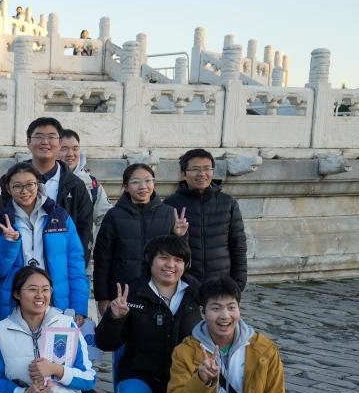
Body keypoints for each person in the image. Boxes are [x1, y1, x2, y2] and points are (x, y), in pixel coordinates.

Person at [95, 235, 200, 393]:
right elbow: (104, 342)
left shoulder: (197, 293)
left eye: (178, 259)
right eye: (163, 257)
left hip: (180, 380)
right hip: (139, 374)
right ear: (150, 261)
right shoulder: (132, 292)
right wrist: (115, 317)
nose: (170, 265)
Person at [0, 163, 88, 320]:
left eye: (30, 185)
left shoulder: (60, 217)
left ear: (38, 184)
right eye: (17, 186)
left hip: (55, 305)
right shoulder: (2, 222)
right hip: (14, 306)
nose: (24, 191)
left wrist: (79, 308)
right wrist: (9, 244)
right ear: (8, 190)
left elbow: (75, 264)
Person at [93, 163, 186, 316]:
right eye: (135, 182)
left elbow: (181, 257)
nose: (143, 186)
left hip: (159, 292)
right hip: (123, 294)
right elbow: (102, 259)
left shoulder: (169, 214)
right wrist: (102, 298)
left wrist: (180, 236)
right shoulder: (114, 216)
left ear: (154, 183)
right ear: (126, 187)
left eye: (148, 180)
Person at [163, 149, 248, 290]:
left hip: (221, 282)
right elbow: (164, 246)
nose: (202, 174)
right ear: (183, 174)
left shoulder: (228, 203)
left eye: (207, 168)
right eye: (195, 169)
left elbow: (238, 246)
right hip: (183, 283)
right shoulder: (170, 204)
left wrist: (238, 284)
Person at [23, 117, 94, 261]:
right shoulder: (12, 180)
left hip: (61, 266)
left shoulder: (75, 186)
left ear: (59, 142)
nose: (45, 142)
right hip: (22, 265)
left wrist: (76, 268)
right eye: (38, 137)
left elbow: (84, 231)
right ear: (28, 143)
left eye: (51, 137)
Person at [58, 129, 110, 233]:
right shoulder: (45, 179)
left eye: (75, 148)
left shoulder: (91, 183)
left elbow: (106, 219)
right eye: (64, 149)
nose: (70, 154)